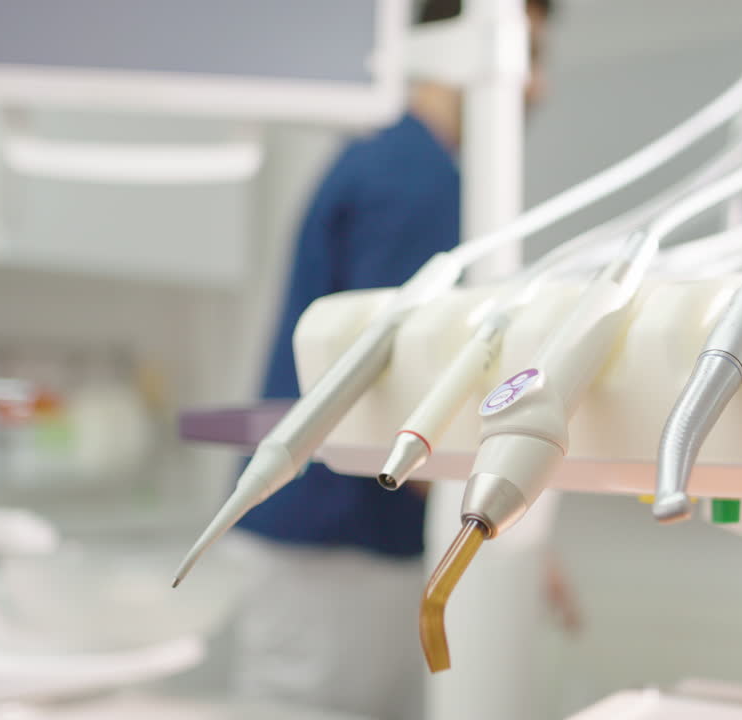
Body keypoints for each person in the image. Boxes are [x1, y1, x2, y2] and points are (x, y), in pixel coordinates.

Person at [226, 2, 563, 719]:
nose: (536, 85)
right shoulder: (417, 182)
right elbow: (402, 401)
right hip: (337, 555)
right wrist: (496, 530)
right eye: (527, 51)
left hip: (328, 549)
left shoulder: (382, 161)